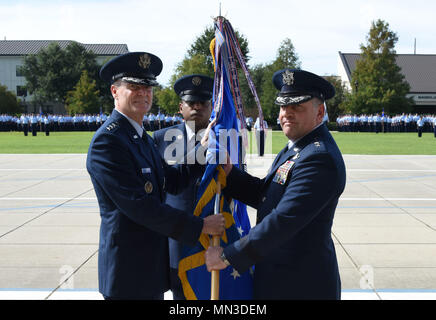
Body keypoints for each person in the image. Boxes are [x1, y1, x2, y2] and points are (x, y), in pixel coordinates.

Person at [86, 52, 225, 300]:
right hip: (128, 272)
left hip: (149, 268)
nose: (143, 93)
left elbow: (171, 180)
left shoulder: (140, 137)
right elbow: (140, 207)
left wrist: (204, 150)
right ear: (114, 91)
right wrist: (201, 225)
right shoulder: (108, 142)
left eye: (148, 87)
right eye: (134, 87)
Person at [205, 69, 346, 300]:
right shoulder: (299, 147)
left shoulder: (319, 158)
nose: (286, 114)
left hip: (301, 285)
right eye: (283, 107)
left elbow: (284, 219)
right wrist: (230, 175)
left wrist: (227, 256)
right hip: (281, 278)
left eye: (297, 107)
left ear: (319, 112)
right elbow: (268, 196)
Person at [153, 74, 213, 300]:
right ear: (181, 107)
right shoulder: (161, 138)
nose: (197, 107)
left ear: (211, 106)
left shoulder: (228, 138)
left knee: (215, 290)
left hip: (216, 229)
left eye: (203, 102)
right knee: (180, 291)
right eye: (191, 103)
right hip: (178, 232)